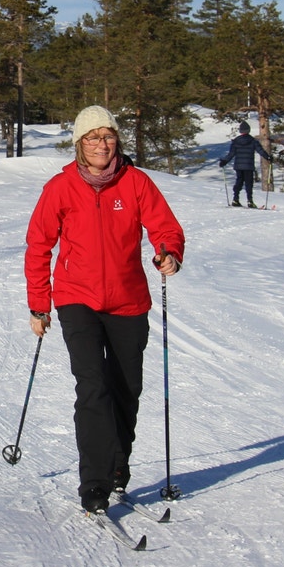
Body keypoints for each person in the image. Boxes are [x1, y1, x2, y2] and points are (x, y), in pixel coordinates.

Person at [25, 106, 186, 513]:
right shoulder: (60, 187)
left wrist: (169, 253)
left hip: (128, 300)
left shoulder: (135, 183)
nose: (102, 144)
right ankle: (94, 482)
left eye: (108, 136)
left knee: (125, 389)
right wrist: (39, 303)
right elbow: (39, 245)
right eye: (93, 137)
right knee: (92, 387)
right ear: (80, 144)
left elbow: (165, 228)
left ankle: (118, 465)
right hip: (76, 299)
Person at [218, 120, 272, 207]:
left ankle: (235, 199)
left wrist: (224, 161)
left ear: (240, 131)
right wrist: (268, 157)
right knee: (248, 183)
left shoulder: (236, 141)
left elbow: (231, 154)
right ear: (248, 130)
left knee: (239, 181)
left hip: (238, 166)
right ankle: (250, 201)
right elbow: (260, 151)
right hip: (248, 165)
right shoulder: (253, 141)